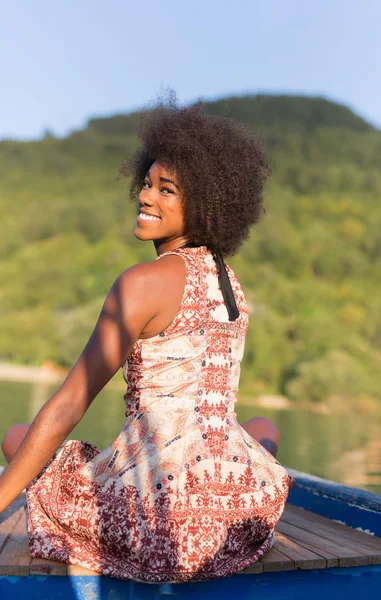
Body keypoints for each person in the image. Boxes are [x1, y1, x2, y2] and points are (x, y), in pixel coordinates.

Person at [0, 95, 294, 583]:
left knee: (16, 438)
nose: (145, 196)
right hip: (229, 519)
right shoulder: (231, 285)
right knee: (263, 427)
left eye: (167, 189)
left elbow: (70, 403)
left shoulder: (141, 283)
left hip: (165, 530)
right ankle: (244, 483)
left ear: (205, 203)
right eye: (147, 182)